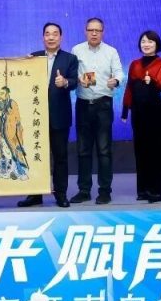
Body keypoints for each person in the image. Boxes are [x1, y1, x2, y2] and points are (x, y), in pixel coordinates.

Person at [19, 22, 79, 208]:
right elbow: (21, 81)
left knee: (60, 157)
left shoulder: (70, 58)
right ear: (43, 37)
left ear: (61, 37)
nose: (51, 37)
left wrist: (65, 82)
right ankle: (35, 195)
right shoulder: (33, 57)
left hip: (59, 116)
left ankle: (60, 194)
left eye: (55, 34)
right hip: (35, 117)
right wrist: (22, 66)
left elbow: (75, 81)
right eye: (47, 34)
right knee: (36, 156)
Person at [71, 17, 124, 205]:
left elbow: (119, 72)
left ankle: (104, 191)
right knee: (83, 150)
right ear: (85, 31)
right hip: (83, 104)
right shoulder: (76, 50)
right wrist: (78, 79)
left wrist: (115, 81)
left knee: (104, 150)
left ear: (103, 32)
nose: (94, 33)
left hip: (103, 105)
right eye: (91, 30)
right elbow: (72, 73)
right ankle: (84, 190)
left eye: (98, 30)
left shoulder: (111, 51)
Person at [121, 30, 161, 203]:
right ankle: (142, 189)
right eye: (143, 41)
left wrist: (152, 82)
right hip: (138, 112)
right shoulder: (134, 64)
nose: (146, 44)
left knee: (156, 151)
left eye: (150, 41)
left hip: (156, 112)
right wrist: (125, 110)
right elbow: (129, 87)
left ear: (157, 44)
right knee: (140, 150)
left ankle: (156, 191)